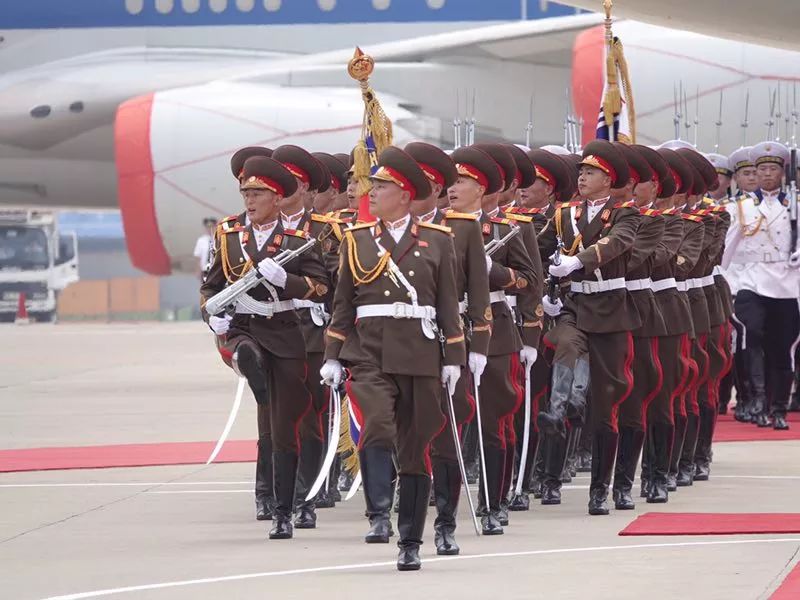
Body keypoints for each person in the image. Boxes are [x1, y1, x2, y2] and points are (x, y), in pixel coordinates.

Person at [321, 146, 465, 571]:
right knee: (378, 425)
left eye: (381, 187)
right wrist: (333, 355)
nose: (372, 193)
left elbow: (448, 305)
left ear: (403, 194)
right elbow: (343, 304)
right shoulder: (357, 239)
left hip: (420, 354)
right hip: (370, 353)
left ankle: (410, 541)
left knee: (416, 450)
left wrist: (454, 356)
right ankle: (378, 511)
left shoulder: (437, 240)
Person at [200, 154, 330, 540]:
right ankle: (247, 362)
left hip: (285, 333)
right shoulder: (229, 239)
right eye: (246, 193)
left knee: (285, 428)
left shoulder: (297, 242)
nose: (250, 200)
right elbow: (211, 286)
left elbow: (321, 287)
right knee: (247, 354)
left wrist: (288, 281)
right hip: (245, 328)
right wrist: (211, 316)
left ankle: (285, 510)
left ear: (277, 198)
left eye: (257, 193)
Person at [536, 139, 641, 516]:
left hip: (610, 311)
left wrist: (577, 261)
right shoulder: (564, 214)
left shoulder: (626, 213)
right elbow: (538, 251)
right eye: (580, 171)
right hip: (574, 305)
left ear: (608, 179)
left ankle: (603, 489)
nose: (581, 177)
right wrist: (543, 291)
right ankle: (560, 415)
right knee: (565, 344)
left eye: (591, 173)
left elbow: (617, 244)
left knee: (607, 407)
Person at [405, 141, 491, 555]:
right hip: (400, 345)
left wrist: (479, 346)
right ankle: (405, 528)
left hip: (447, 341)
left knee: (445, 437)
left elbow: (478, 293)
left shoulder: (462, 228)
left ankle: (444, 524)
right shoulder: (384, 231)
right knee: (406, 435)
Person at [723, 141, 800, 431]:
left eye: (772, 169)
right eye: (762, 169)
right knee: (751, 333)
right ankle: (756, 399)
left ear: (782, 173)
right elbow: (727, 248)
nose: (767, 174)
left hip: (786, 283)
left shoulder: (794, 204)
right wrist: (718, 280)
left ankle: (777, 407)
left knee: (782, 347)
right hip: (751, 281)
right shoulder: (741, 207)